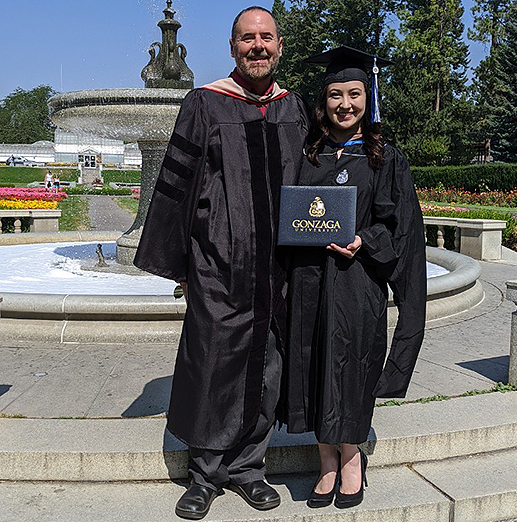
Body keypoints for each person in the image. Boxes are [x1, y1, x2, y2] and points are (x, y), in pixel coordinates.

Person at [133, 6, 309, 520]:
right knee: (212, 364)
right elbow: (175, 187)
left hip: (278, 267)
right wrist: (183, 265)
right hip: (218, 265)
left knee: (267, 366)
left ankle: (250, 468)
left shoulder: (293, 107)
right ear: (233, 46)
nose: (257, 46)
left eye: (266, 38)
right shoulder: (205, 103)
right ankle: (205, 473)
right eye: (247, 38)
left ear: (279, 46)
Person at [285, 46, 427, 509]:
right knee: (315, 365)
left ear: (368, 97)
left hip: (357, 284)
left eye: (354, 93)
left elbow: (399, 227)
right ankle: (325, 462)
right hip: (309, 283)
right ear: (323, 100)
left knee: (351, 368)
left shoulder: (385, 158)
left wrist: (364, 240)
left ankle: (351, 461)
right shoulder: (308, 153)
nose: (345, 104)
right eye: (335, 95)